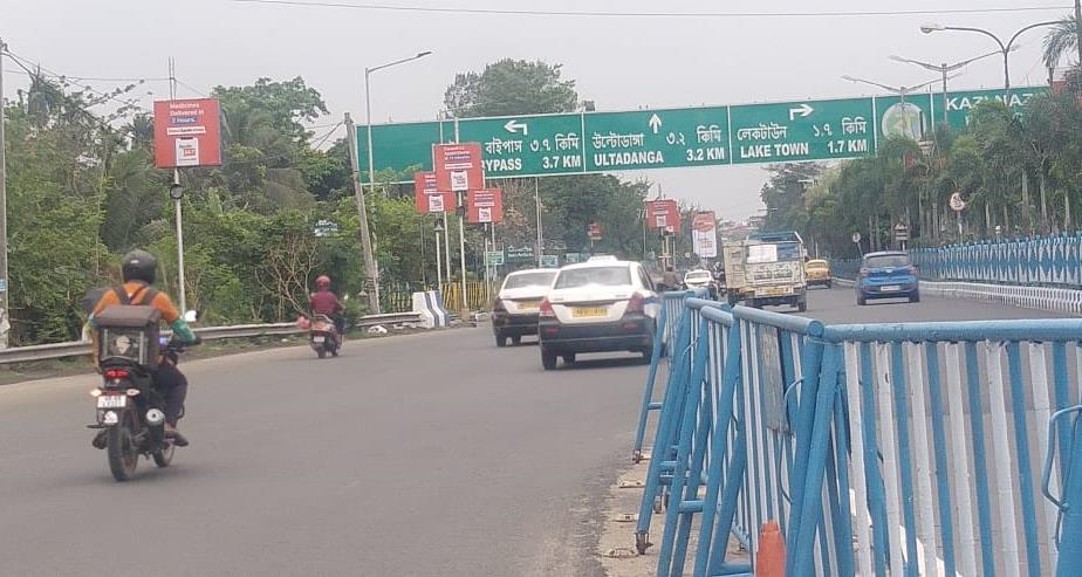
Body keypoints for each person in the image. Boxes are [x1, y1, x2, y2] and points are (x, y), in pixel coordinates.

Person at [88, 249, 200, 448]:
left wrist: (97, 355)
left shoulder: (110, 296)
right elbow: (179, 326)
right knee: (178, 383)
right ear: (151, 273)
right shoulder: (157, 298)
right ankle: (168, 424)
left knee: (109, 388)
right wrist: (191, 338)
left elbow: (92, 325)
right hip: (146, 364)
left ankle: (110, 422)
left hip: (111, 361)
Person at [310, 275, 345, 342]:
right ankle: (338, 336)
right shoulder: (331, 295)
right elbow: (338, 305)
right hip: (329, 316)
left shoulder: (314, 296)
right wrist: (342, 307)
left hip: (318, 317)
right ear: (328, 285)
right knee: (341, 320)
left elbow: (311, 307)